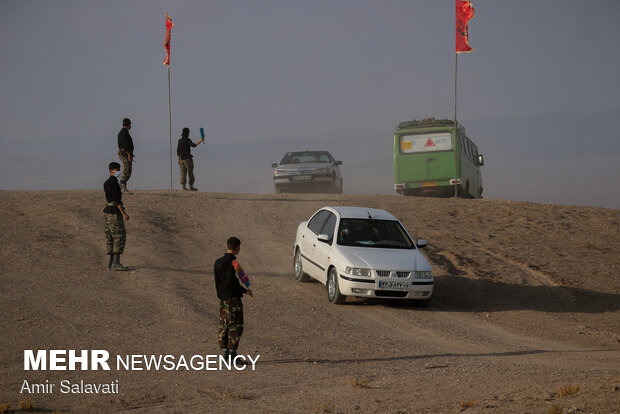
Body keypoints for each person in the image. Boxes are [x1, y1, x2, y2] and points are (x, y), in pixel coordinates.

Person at [213, 237, 253, 360]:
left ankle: (225, 352)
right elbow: (231, 281)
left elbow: (218, 282)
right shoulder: (232, 263)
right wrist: (244, 290)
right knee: (235, 325)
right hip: (233, 299)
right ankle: (232, 354)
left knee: (224, 324)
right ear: (238, 248)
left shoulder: (218, 262)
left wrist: (221, 295)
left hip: (223, 299)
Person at [103, 162, 130, 270]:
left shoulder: (106, 183)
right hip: (114, 213)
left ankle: (110, 263)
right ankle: (116, 263)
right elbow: (116, 200)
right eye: (116, 170)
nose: (118, 172)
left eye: (119, 170)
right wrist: (124, 214)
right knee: (119, 236)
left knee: (110, 237)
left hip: (107, 213)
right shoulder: (113, 184)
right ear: (111, 171)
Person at [117, 117, 134, 193]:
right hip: (125, 154)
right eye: (130, 124)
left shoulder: (124, 132)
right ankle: (122, 186)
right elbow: (126, 146)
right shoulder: (124, 133)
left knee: (127, 169)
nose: (131, 126)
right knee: (126, 170)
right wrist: (129, 155)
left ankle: (122, 186)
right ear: (128, 124)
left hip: (124, 153)